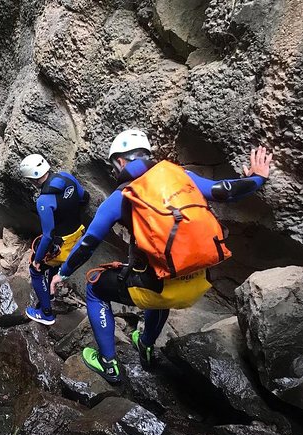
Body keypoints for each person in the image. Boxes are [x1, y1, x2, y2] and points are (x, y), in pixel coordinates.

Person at [49, 129, 272, 383]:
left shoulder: (121, 196)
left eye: (113, 165)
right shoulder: (182, 176)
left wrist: (62, 273)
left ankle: (108, 364)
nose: (113, 171)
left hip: (159, 290)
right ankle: (145, 344)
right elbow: (226, 190)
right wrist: (258, 178)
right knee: (158, 273)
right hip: (198, 283)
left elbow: (88, 243)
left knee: (95, 288)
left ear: (121, 161)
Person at [19, 154, 89, 325]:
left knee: (36, 270)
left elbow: (48, 234)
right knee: (53, 265)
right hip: (79, 233)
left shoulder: (44, 201)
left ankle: (46, 313)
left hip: (62, 244)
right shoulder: (67, 177)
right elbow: (84, 197)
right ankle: (50, 292)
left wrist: (36, 259)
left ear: (33, 179)